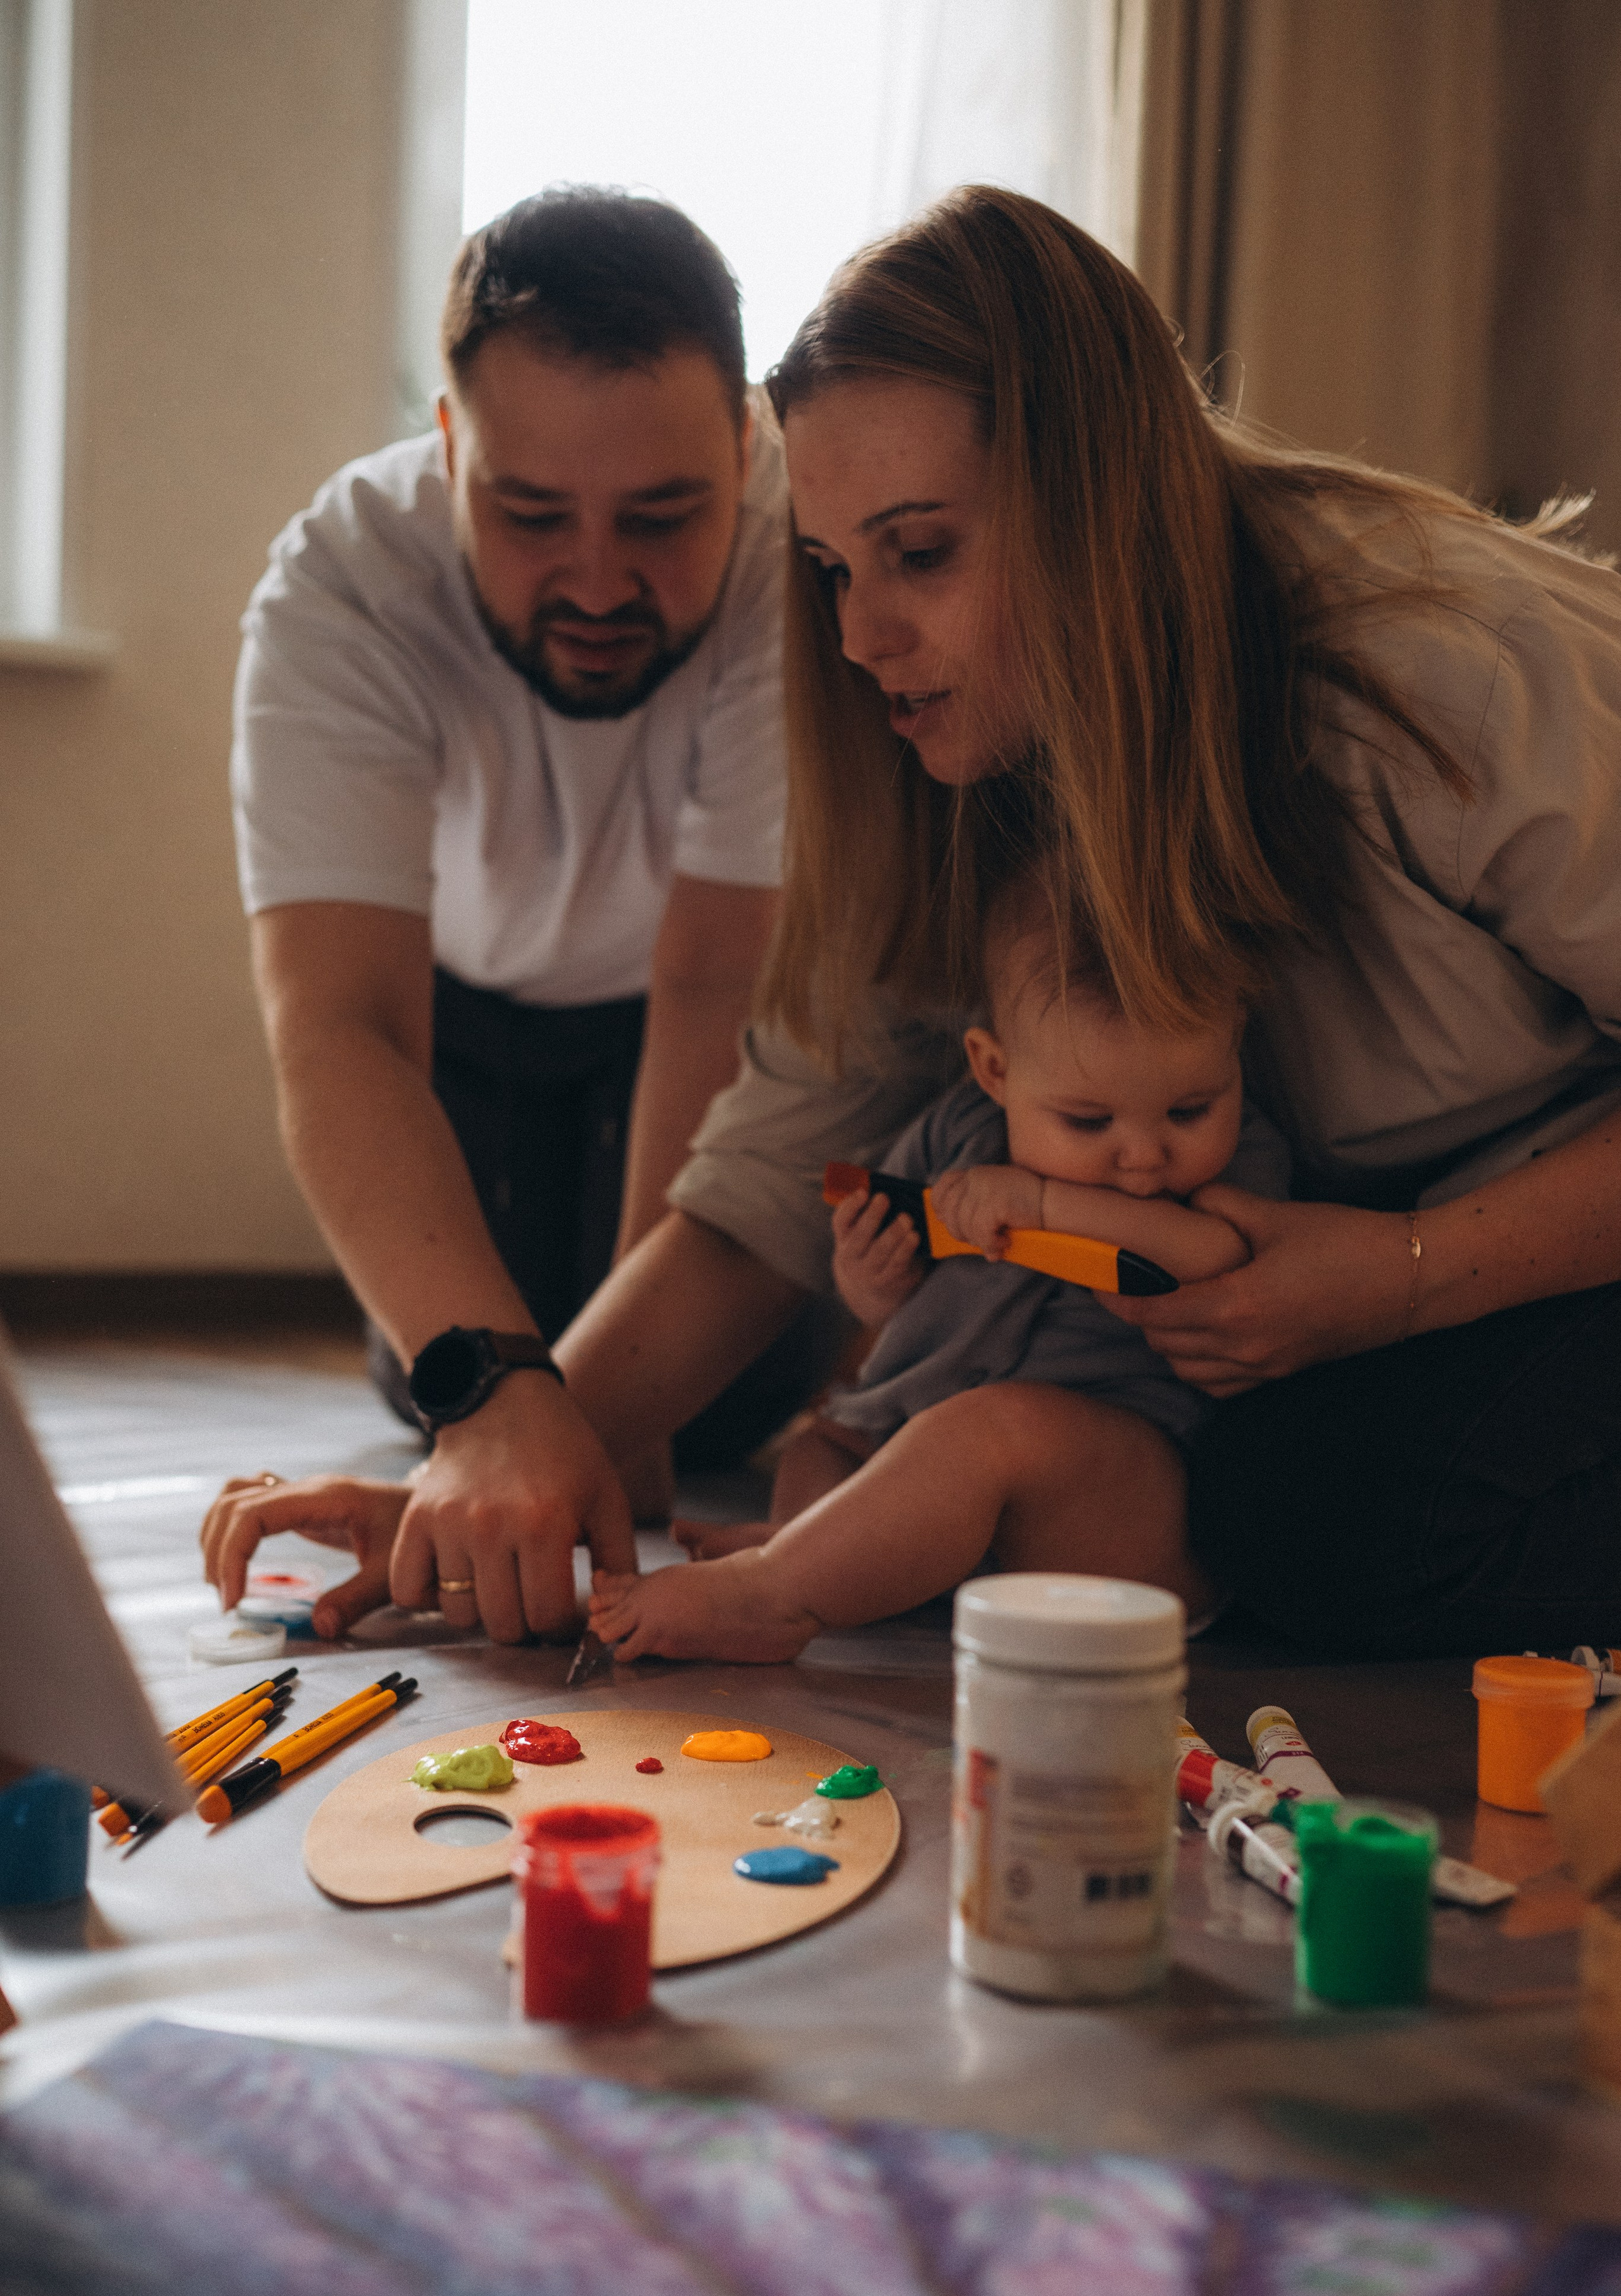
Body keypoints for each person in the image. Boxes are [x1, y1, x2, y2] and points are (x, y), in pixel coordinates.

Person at [215, 186, 1621, 1662]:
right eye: (828, 569)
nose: (858, 634)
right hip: (1370, 1285)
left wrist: (1403, 1277)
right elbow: (769, 1169)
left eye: (920, 554)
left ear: (1092, 508)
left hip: (1527, 1245)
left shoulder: (1439, 675)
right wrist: (508, 1450)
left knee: (1302, 1515)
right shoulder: (957, 752)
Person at [230, 187, 802, 1646]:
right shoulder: (342, 579)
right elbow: (342, 1020)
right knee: (434, 1366)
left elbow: (715, 969)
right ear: (447, 447)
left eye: (663, 516)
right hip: (461, 1009)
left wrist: (613, 1422)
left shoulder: (798, 552)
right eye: (531, 514)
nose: (598, 580)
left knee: (722, 1385)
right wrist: (489, 1398)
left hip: (682, 1016)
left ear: (743, 448)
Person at [583, 873, 1290, 1661]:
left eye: (1191, 1111)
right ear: (995, 1071)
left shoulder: (1240, 1159)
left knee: (990, 1429)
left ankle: (772, 1595)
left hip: (1117, 1507)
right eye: (1088, 1121)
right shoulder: (958, 1133)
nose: (1144, 1156)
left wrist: (1045, 1204)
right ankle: (812, 1551)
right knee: (828, 1441)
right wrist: (870, 1278)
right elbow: (889, 1292)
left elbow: (1218, 1259)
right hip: (928, 1438)